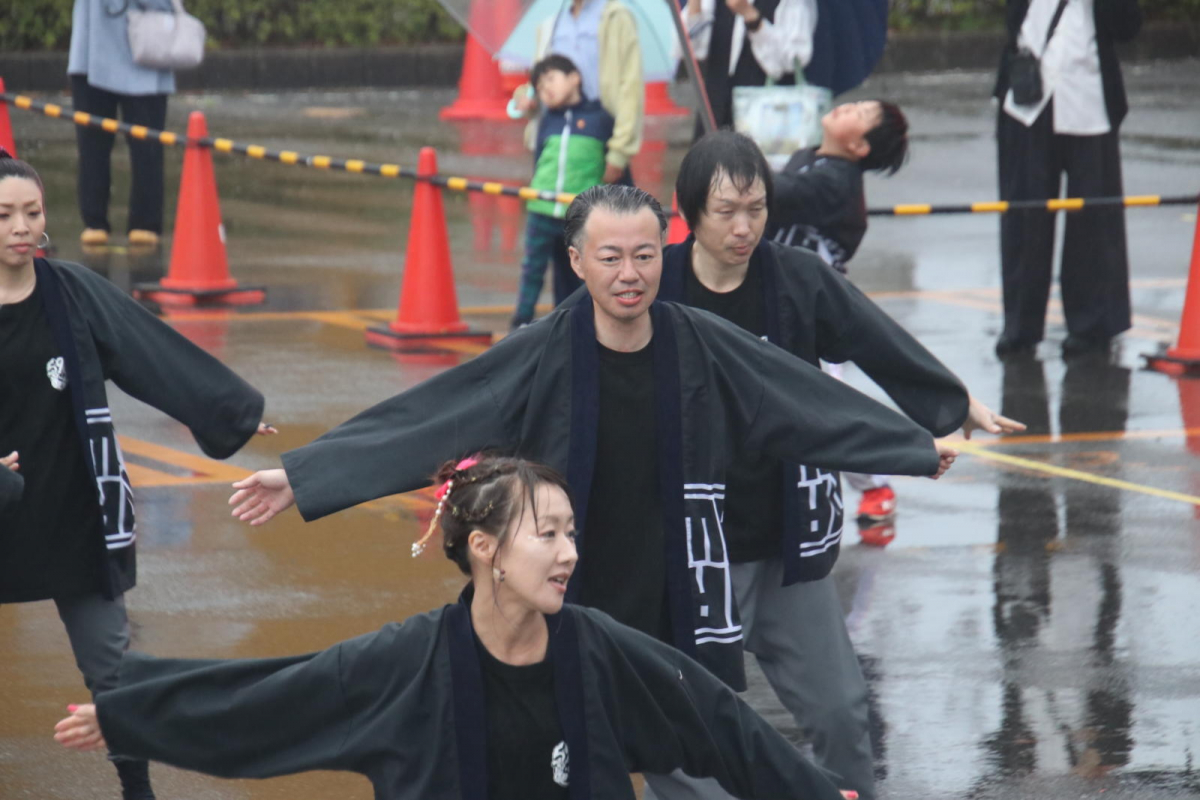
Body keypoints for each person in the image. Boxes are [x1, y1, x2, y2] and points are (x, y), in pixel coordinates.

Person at [228, 183, 958, 695]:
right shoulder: (545, 351)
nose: (630, 274)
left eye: (645, 256)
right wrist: (305, 477)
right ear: (576, 262)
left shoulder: (701, 343)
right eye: (609, 258)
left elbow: (802, 397)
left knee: (695, 761)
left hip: (679, 592)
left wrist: (912, 447)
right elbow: (434, 415)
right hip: (575, 585)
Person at [57, 455, 860, 800]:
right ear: (484, 549)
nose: (569, 552)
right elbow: (270, 704)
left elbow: (724, 726)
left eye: (570, 531)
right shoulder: (404, 662)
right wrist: (131, 712)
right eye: (546, 533)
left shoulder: (602, 652)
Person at [655, 131, 1024, 800]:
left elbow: (874, 339)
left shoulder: (795, 281)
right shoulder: (655, 288)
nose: (745, 228)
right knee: (678, 730)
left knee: (843, 715)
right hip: (690, 554)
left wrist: (952, 402)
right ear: (688, 211)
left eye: (757, 209)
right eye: (726, 212)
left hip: (786, 550)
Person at [0, 149, 273, 800]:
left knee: (115, 674)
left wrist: (231, 410)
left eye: (32, 212)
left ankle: (137, 788)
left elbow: (151, 351)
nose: (20, 226)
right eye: (4, 214)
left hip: (73, 514)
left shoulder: (71, 294)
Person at [767, 99, 910, 525]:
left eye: (860, 114)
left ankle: (876, 484)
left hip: (815, 312)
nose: (848, 106)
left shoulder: (839, 182)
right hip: (773, 295)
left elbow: (783, 195)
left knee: (827, 407)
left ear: (859, 146)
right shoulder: (806, 158)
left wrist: (731, 169)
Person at [992, 0, 1142, 358]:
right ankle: (1020, 327)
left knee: (1094, 219)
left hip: (1089, 99)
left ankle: (1092, 327)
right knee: (1024, 219)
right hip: (1027, 99)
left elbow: (1128, 27)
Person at [511, 55, 614, 329]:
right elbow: (538, 159)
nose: (547, 90)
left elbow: (613, 167)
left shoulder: (600, 119)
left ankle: (581, 323)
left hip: (579, 215)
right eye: (541, 87)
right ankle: (520, 323)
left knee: (580, 272)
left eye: (551, 80)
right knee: (532, 269)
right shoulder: (546, 120)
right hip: (541, 209)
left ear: (575, 77)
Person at [68, 0, 178, 248]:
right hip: (89, 50)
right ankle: (94, 220)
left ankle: (145, 222)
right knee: (91, 145)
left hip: (146, 51)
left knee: (147, 147)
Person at [527, 0, 643, 186]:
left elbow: (630, 86)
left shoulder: (616, 16)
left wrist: (620, 151)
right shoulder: (552, 22)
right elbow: (537, 78)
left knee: (608, 208)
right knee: (549, 207)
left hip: (600, 130)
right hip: (556, 131)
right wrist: (525, 99)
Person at [684, 0, 818, 134]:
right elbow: (692, 48)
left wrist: (751, 16)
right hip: (714, 108)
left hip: (766, 116)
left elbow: (793, 59)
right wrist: (695, 5)